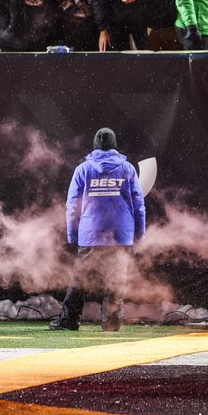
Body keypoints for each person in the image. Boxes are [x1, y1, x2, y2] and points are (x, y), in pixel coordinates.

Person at [50, 128, 145, 332]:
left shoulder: (83, 169)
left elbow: (72, 206)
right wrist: (140, 233)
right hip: (121, 234)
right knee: (116, 278)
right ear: (114, 145)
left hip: (90, 234)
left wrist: (72, 234)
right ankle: (111, 324)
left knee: (80, 279)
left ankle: (69, 320)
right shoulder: (128, 169)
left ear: (94, 145)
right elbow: (139, 204)